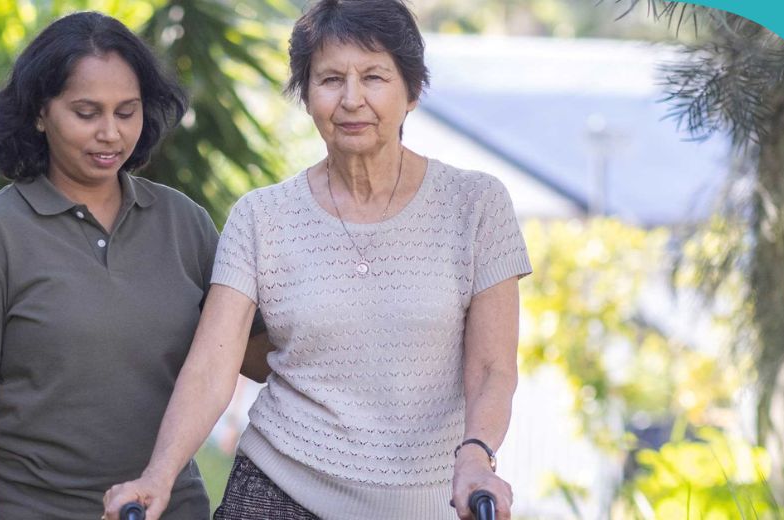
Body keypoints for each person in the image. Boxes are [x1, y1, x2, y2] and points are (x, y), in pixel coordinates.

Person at [104, 1, 532, 519]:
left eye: (374, 77)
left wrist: (476, 454)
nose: (352, 100)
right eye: (330, 79)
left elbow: (491, 368)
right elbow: (213, 365)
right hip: (280, 488)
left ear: (412, 91)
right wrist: (159, 474)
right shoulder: (262, 217)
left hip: (431, 497)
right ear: (306, 96)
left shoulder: (476, 206)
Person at [0, 12, 267, 519]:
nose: (110, 133)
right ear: (40, 113)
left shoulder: (184, 223)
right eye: (87, 113)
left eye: (126, 112)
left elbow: (254, 357)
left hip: (168, 509)